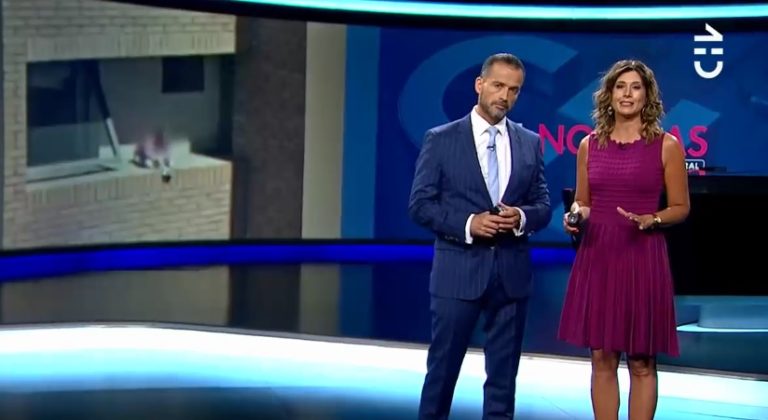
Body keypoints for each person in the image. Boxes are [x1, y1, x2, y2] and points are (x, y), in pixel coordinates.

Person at [409, 52, 551, 419]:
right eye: (499, 86)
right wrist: (469, 224)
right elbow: (420, 205)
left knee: (503, 383)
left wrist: (521, 217)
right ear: (480, 84)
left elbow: (542, 204)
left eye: (514, 90)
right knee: (442, 374)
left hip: (511, 277)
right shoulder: (441, 139)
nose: (505, 96)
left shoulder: (529, 142)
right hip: (458, 274)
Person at [557, 59, 690, 420]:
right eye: (620, 86)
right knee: (602, 355)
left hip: (642, 256)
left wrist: (653, 219)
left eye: (635, 87)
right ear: (609, 94)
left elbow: (681, 207)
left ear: (647, 96)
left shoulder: (667, 146)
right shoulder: (589, 145)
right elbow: (584, 202)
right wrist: (574, 216)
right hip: (598, 256)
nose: (627, 94)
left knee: (642, 360)